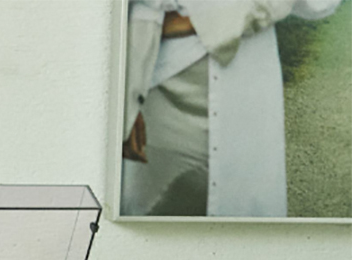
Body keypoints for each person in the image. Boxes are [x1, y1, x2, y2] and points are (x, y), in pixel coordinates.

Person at [121, 0, 345, 217]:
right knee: (149, 225)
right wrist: (125, 96)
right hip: (156, 89)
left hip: (243, 91)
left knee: (242, 233)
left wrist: (210, 21)